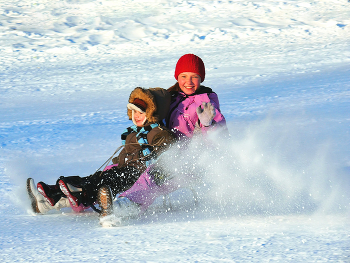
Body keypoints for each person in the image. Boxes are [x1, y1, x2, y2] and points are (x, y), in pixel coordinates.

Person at [26, 87, 175, 220]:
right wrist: (116, 162)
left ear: (152, 113)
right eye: (134, 111)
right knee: (97, 178)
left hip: (136, 173)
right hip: (122, 168)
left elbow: (166, 156)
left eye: (141, 112)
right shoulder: (133, 132)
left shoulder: (159, 133)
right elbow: (125, 153)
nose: (136, 115)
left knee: (104, 181)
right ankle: (54, 193)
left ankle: (80, 192)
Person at [118, 53, 227, 214]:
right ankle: (87, 195)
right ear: (177, 76)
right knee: (124, 167)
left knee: (154, 175)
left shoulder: (206, 104)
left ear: (201, 78)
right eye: (183, 76)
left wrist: (207, 124)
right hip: (163, 153)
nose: (188, 82)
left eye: (194, 77)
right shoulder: (173, 98)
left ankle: (130, 205)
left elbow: (221, 141)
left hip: (190, 164)